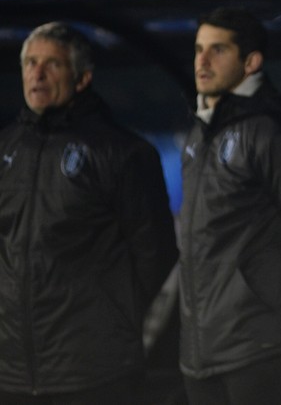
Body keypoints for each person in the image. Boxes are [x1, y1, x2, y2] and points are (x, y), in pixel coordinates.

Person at [0, 22, 178, 404]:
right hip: (10, 370)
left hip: (93, 371)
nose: (38, 73)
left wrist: (109, 318)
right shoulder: (6, 149)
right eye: (30, 62)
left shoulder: (123, 153)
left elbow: (156, 252)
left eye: (52, 64)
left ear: (82, 78)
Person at [178, 7, 281, 405]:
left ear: (252, 61)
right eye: (198, 49)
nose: (202, 61)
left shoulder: (274, 132)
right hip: (200, 349)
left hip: (261, 345)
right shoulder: (198, 132)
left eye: (217, 50)